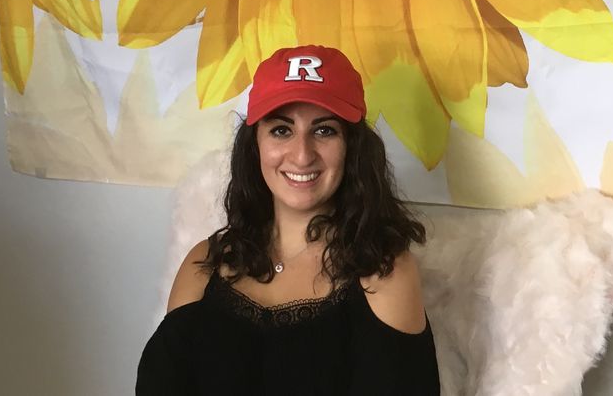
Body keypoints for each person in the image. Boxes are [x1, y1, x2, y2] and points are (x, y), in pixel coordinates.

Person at [136, 44, 441, 395]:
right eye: (282, 130)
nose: (301, 154)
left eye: (324, 130)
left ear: (353, 148)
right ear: (255, 145)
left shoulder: (384, 271)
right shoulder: (202, 264)